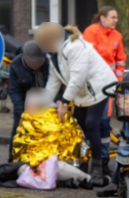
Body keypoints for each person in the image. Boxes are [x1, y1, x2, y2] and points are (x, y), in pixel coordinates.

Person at [35, 22, 117, 187]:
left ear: (52, 40)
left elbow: (78, 77)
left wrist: (64, 102)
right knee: (80, 123)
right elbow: (54, 80)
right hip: (82, 92)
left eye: (45, 44)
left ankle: (97, 164)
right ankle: (90, 157)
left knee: (92, 123)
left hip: (99, 88)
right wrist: (44, 102)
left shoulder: (74, 47)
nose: (44, 48)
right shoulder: (53, 54)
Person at [82, 6, 125, 173]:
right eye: (113, 17)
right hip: (92, 87)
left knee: (104, 124)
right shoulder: (91, 32)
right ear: (103, 18)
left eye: (117, 17)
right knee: (91, 124)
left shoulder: (117, 36)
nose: (116, 20)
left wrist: (117, 82)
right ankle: (91, 158)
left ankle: (103, 161)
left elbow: (120, 61)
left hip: (108, 87)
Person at [7, 40, 50, 160]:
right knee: (18, 129)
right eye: (33, 62)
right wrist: (21, 110)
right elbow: (14, 90)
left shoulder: (48, 62)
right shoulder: (16, 65)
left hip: (45, 98)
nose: (36, 64)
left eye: (38, 61)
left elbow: (54, 84)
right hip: (24, 99)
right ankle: (13, 158)